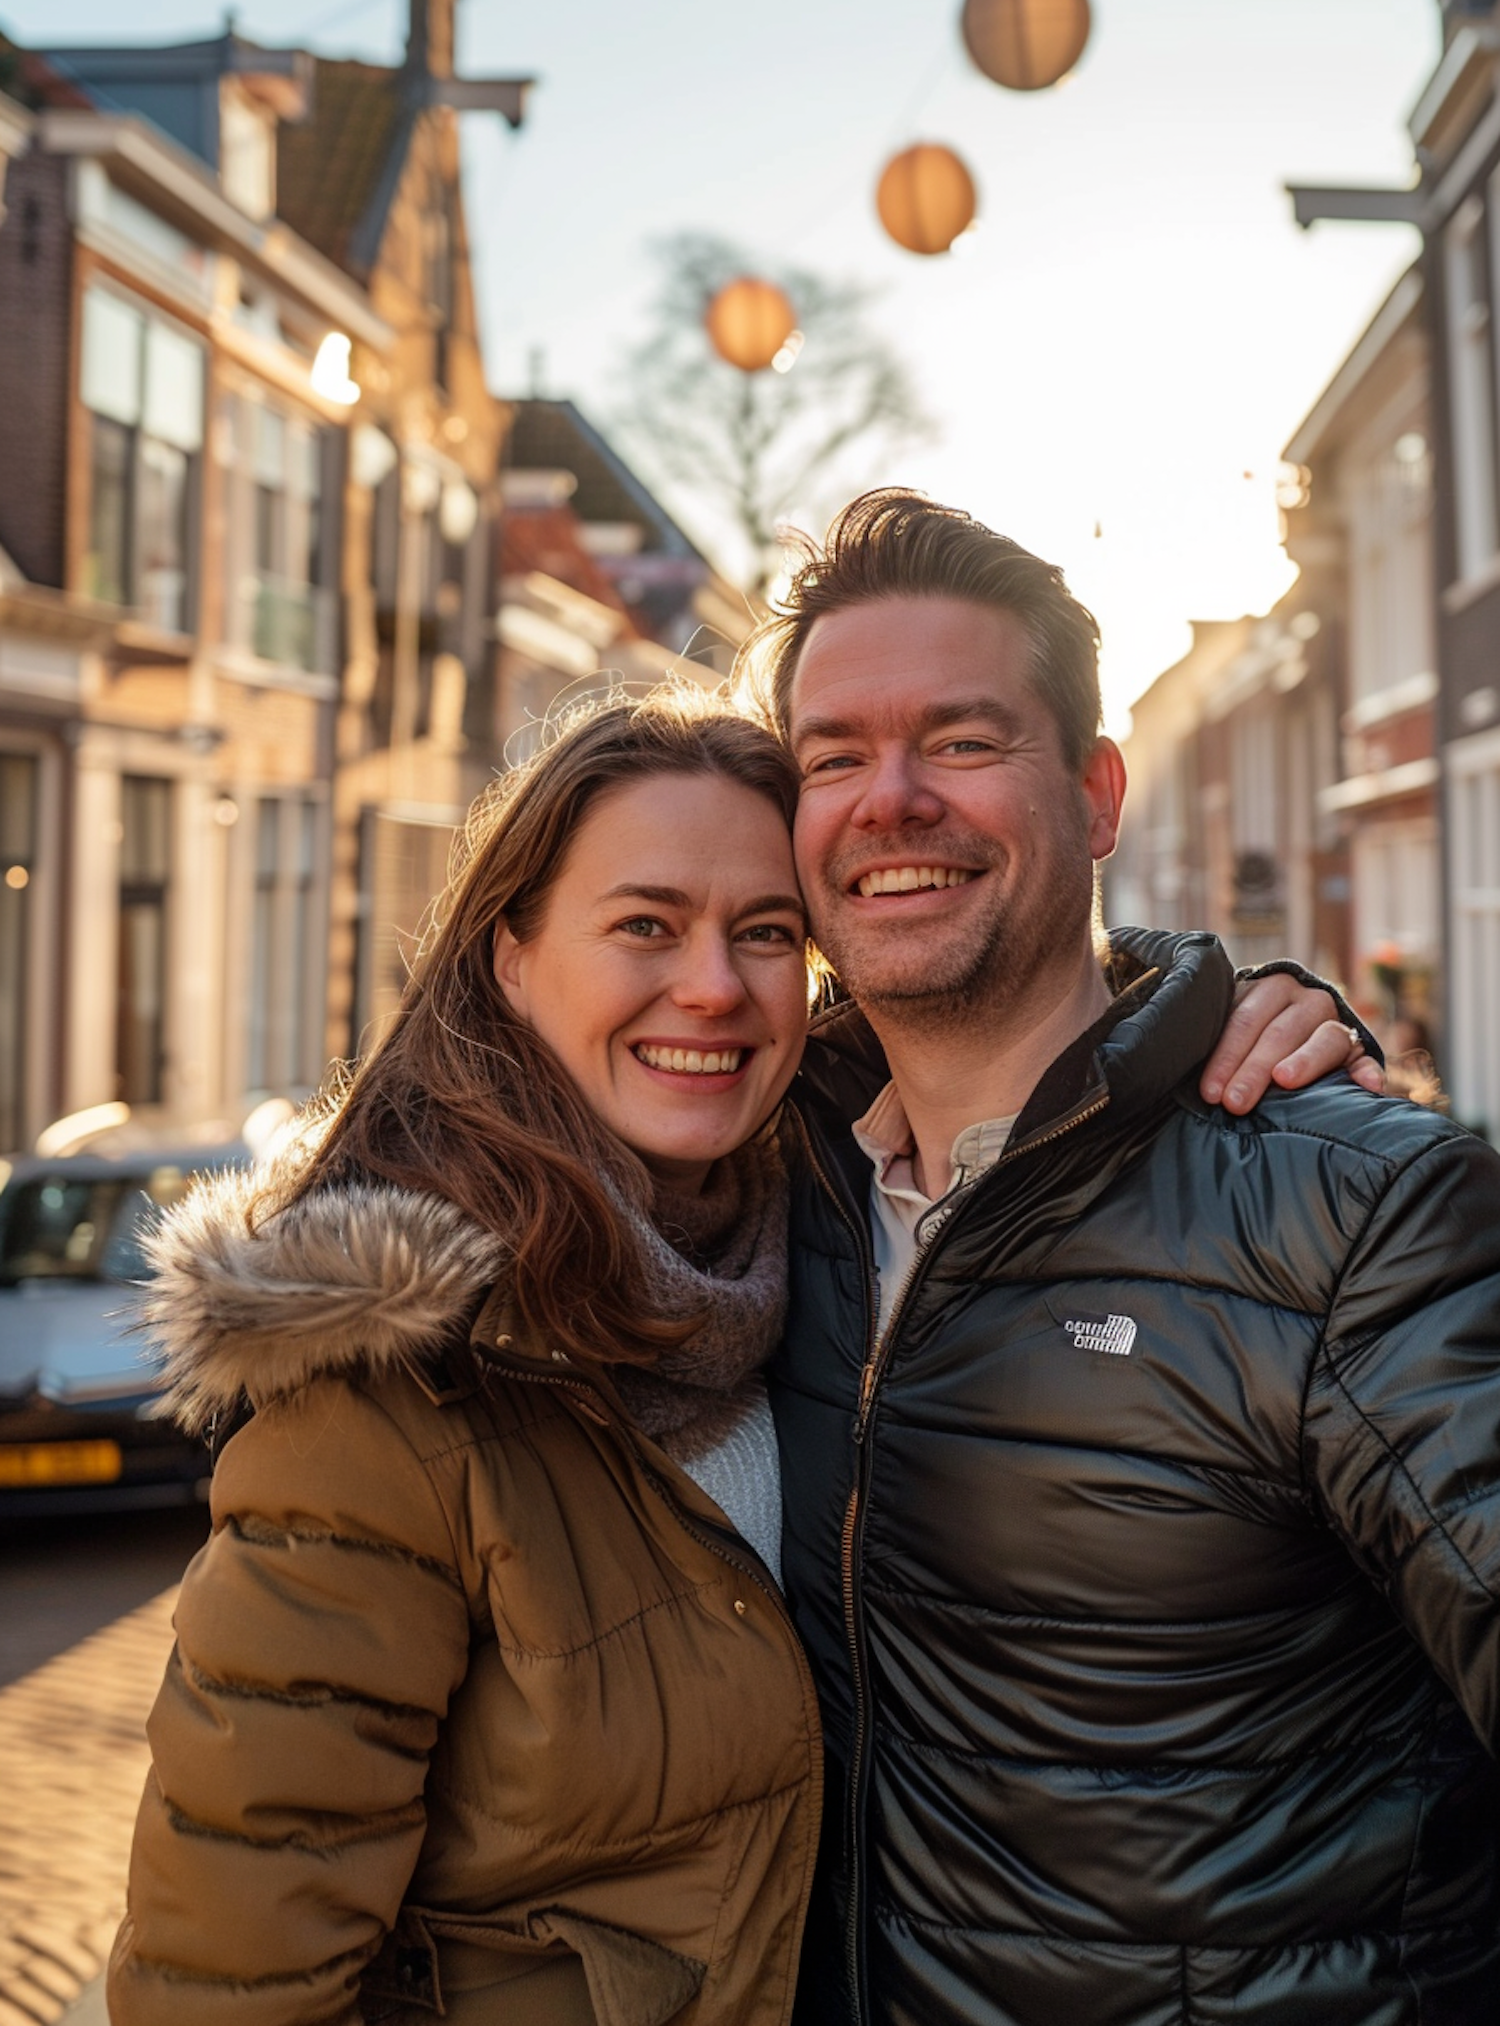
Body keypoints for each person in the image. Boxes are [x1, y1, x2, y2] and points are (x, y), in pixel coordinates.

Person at [108, 681, 1355, 2026]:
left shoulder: (815, 1236)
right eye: (645, 923)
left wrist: (1233, 1025)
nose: (710, 985)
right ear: (511, 955)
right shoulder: (388, 1396)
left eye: (764, 931)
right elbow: (222, 1983)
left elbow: (1009, 1017)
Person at [750, 489, 1500, 2026]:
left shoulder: (1357, 1215)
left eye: (961, 740)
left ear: (1097, 797)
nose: (889, 800)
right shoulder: (752, 1195)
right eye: (834, 756)